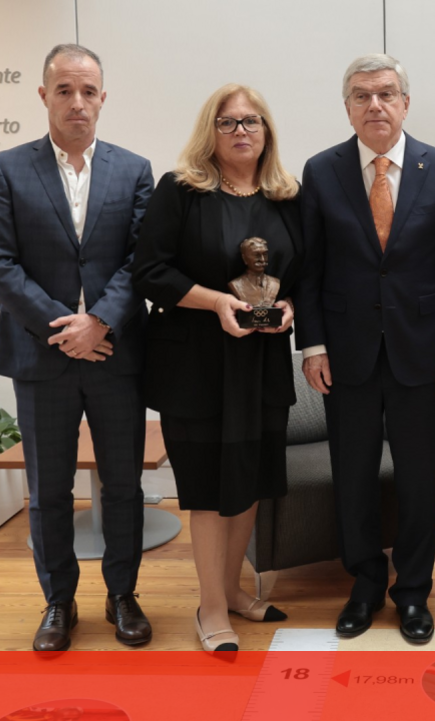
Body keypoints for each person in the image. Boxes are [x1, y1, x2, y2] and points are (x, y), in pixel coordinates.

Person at [0, 44, 154, 652]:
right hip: (40, 354)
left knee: (124, 484)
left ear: (103, 97)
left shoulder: (134, 170)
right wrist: (65, 328)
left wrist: (99, 322)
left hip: (115, 354)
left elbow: (141, 260)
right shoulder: (7, 168)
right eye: (64, 90)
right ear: (44, 95)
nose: (77, 102)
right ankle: (58, 601)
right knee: (49, 490)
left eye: (88, 91)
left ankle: (122, 594)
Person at [294, 53, 435, 644]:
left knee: (420, 478)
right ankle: (366, 584)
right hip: (346, 353)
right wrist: (312, 345)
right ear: (347, 107)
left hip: (423, 353)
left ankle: (413, 592)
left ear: (405, 103)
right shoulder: (322, 171)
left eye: (386, 94)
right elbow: (310, 270)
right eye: (362, 95)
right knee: (354, 476)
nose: (375, 105)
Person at [131, 84, 301, 652]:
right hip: (196, 366)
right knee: (206, 488)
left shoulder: (286, 196)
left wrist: (290, 306)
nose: (240, 131)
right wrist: (216, 303)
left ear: (266, 130)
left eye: (251, 121)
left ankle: (230, 589)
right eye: (227, 122)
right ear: (211, 131)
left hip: (261, 362)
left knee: (249, 481)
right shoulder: (182, 191)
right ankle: (209, 607)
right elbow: (149, 271)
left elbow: (304, 273)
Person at [228, 237, 281, 307]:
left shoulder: (275, 282)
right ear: (244, 258)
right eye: (256, 255)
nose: (262, 260)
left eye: (265, 254)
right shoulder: (236, 285)